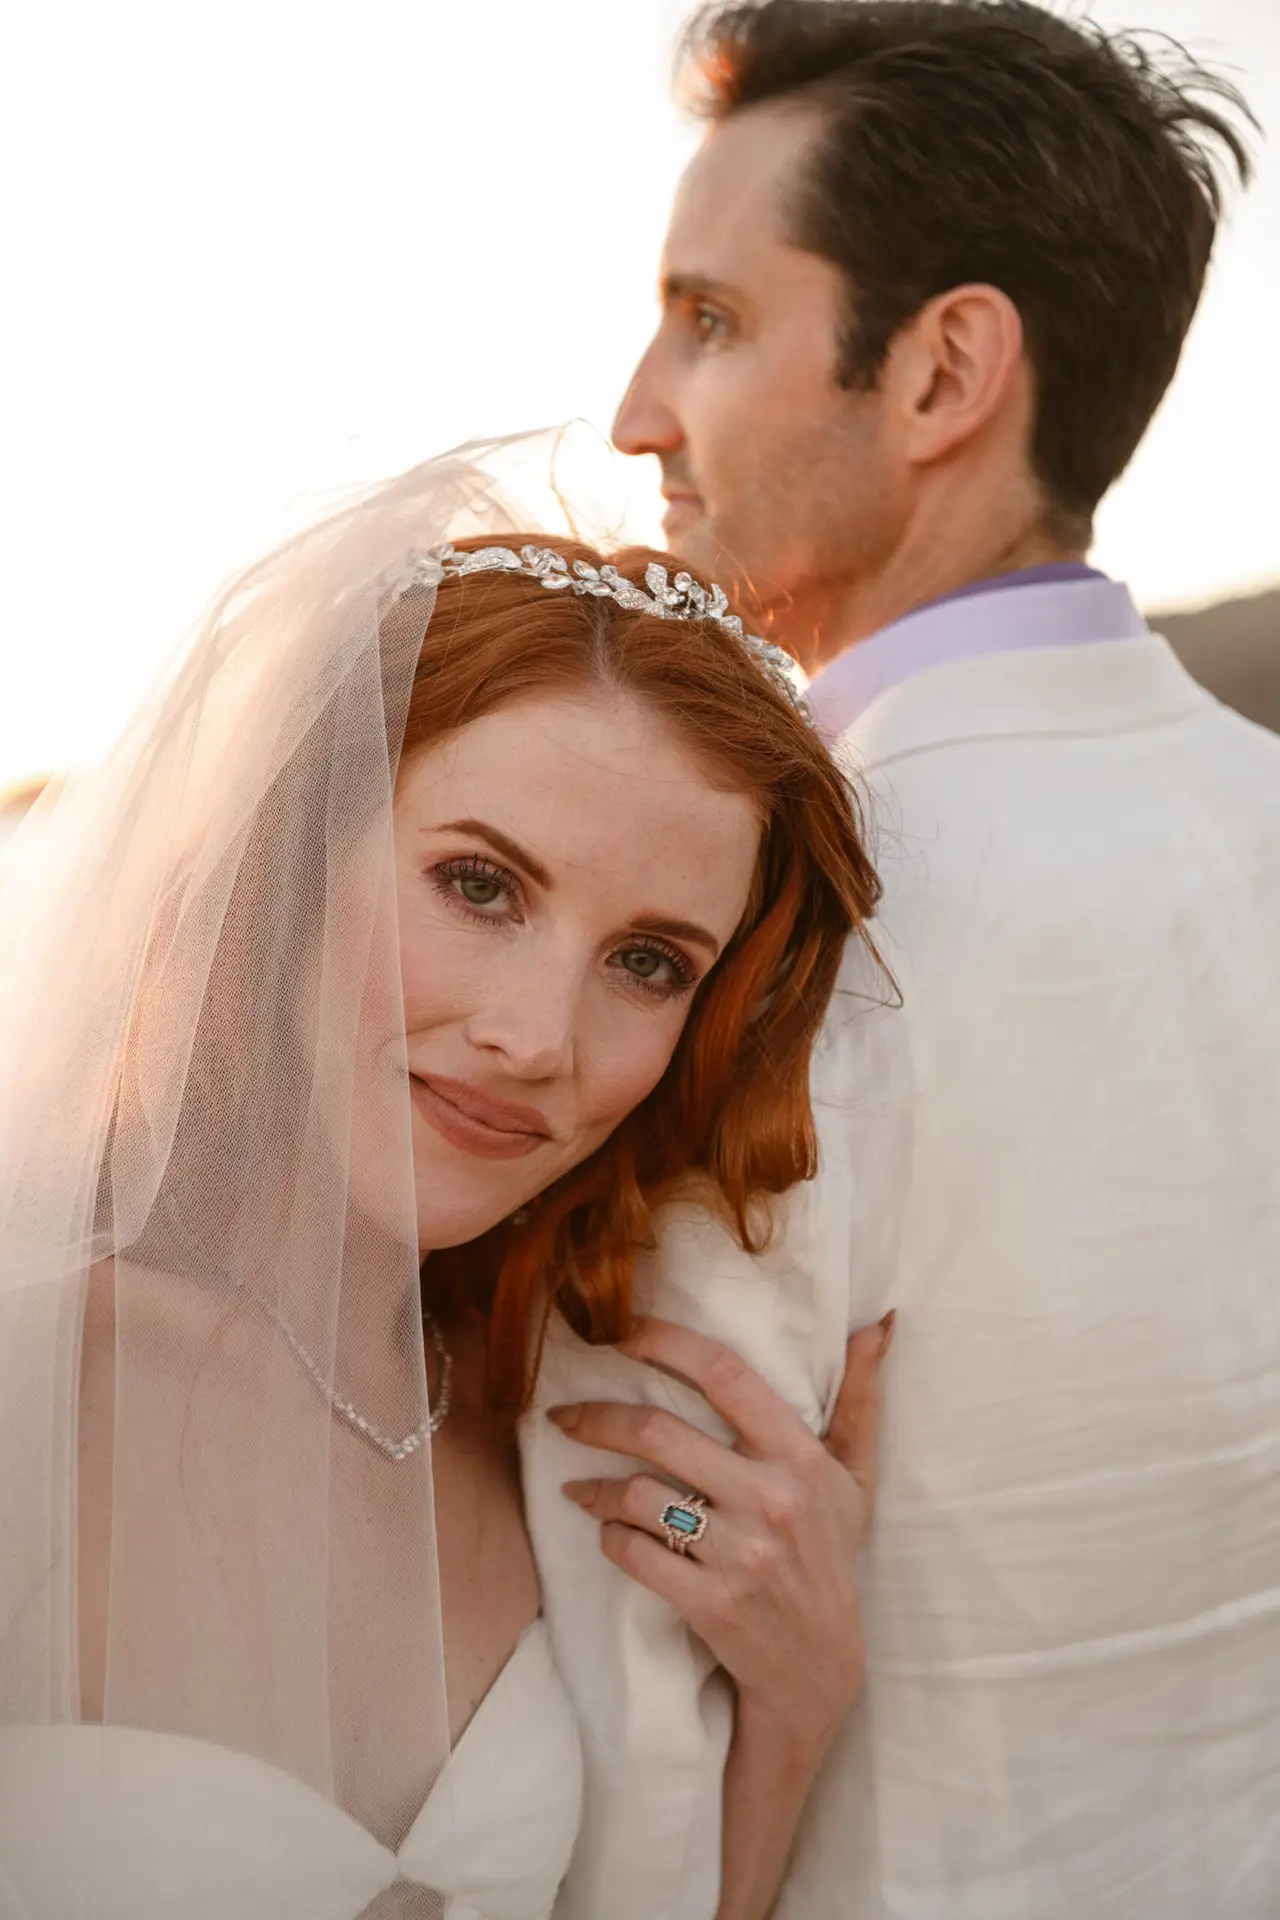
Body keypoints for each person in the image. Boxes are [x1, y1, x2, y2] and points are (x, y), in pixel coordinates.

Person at [0, 441, 889, 1920]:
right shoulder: (31, 1373)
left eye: (648, 963)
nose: (537, 1039)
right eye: (478, 884)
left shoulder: (553, 1447)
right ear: (290, 857)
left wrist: (797, 1705)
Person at [594, 3, 1280, 1915]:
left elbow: (643, 1694)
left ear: (946, 368)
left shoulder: (771, 918)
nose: (643, 408)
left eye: (713, 321)